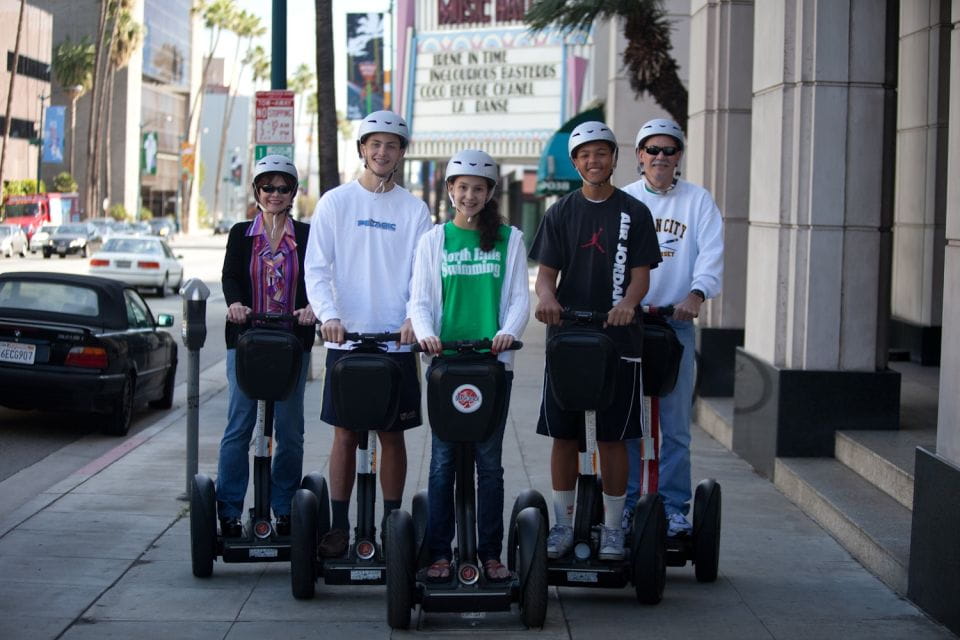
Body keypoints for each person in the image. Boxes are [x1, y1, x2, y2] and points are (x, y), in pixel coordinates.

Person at [528, 121, 661, 561]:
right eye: (585, 155)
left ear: (614, 158)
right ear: (575, 162)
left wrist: (627, 304)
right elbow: (546, 277)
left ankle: (613, 528)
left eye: (601, 153)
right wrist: (547, 300)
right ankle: (563, 525)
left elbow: (640, 276)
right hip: (568, 339)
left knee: (613, 437)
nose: (593, 161)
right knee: (564, 436)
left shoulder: (633, 212)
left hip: (619, 340)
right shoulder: (560, 212)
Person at [304, 110, 432, 557]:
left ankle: (392, 523)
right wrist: (329, 315)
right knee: (345, 433)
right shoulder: (336, 203)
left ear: (401, 153)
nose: (382, 152)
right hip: (348, 339)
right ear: (362, 148)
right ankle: (339, 527)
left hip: (395, 342)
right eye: (374, 144)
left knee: (392, 435)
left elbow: (423, 274)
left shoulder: (415, 210)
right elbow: (316, 268)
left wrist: (415, 319)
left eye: (391, 145)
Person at [408, 149, 530, 582]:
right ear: (450, 191)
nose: (470, 195)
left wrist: (507, 332)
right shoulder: (433, 240)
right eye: (462, 188)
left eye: (478, 188)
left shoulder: (508, 238)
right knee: (442, 462)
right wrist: (425, 333)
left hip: (492, 366)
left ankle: (490, 553)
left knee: (489, 463)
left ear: (490, 192)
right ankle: (440, 553)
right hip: (446, 365)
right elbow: (420, 299)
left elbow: (519, 297)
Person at [622, 118, 724, 537]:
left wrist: (696, 295)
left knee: (676, 425)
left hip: (675, 325)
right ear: (640, 155)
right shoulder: (624, 200)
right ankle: (627, 504)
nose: (660, 158)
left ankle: (674, 506)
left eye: (669, 150)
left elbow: (712, 254)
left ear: (679, 156)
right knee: (627, 419)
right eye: (653, 150)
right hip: (628, 325)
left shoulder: (698, 201)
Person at [217, 155, 317, 538]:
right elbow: (229, 277)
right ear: (256, 191)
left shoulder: (307, 236)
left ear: (293, 192)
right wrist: (235, 305)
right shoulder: (240, 233)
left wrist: (311, 308)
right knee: (239, 426)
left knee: (290, 429)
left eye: (283, 188)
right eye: (267, 187)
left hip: (292, 343)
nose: (275, 194)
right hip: (246, 344)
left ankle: (284, 507)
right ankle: (228, 509)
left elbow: (319, 279)